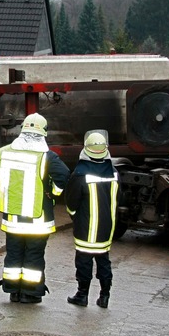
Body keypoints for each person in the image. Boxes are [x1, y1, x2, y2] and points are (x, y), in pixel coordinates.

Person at [0, 113, 70, 303]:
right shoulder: (47, 157)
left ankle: (13, 291)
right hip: (38, 220)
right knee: (34, 255)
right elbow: (63, 175)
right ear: (43, 133)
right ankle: (30, 294)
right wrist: (53, 193)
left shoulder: (5, 152)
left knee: (14, 253)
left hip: (13, 218)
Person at [65, 130, 119, 309]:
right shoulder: (114, 173)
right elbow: (120, 197)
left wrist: (74, 216)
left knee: (84, 261)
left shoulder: (80, 174)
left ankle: (82, 295)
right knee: (103, 260)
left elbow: (71, 202)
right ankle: (104, 296)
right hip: (106, 227)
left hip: (85, 227)